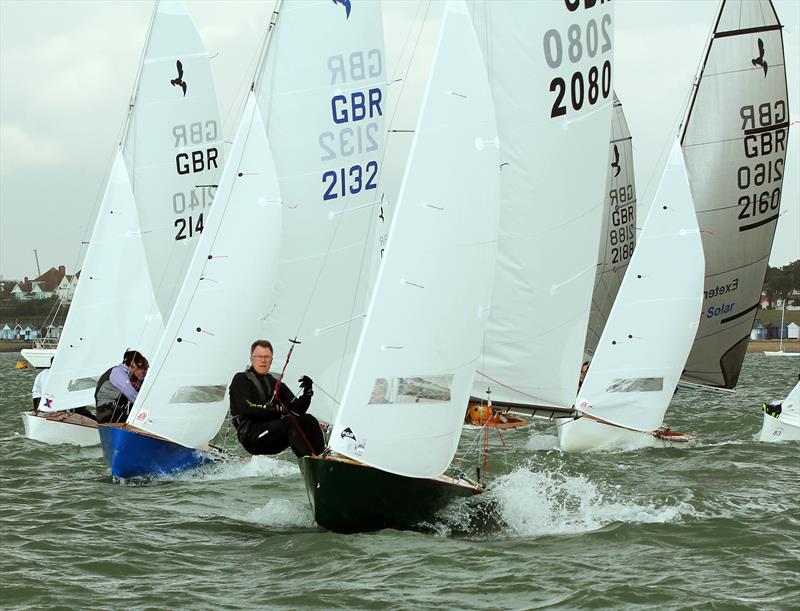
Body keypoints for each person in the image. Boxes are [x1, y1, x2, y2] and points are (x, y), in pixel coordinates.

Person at [228, 339, 324, 457]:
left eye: (267, 357)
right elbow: (246, 408)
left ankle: (322, 458)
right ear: (251, 359)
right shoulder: (240, 379)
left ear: (271, 360)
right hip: (252, 436)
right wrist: (271, 409)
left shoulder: (275, 383)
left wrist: (308, 392)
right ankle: (308, 458)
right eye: (259, 356)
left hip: (272, 435)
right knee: (290, 423)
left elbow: (296, 410)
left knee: (309, 420)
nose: (263, 360)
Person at [95, 350, 149, 424]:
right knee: (142, 422)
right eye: (139, 365)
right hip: (108, 414)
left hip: (113, 412)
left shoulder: (125, 373)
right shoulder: (117, 372)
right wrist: (148, 406)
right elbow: (132, 395)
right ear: (132, 363)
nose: (140, 368)